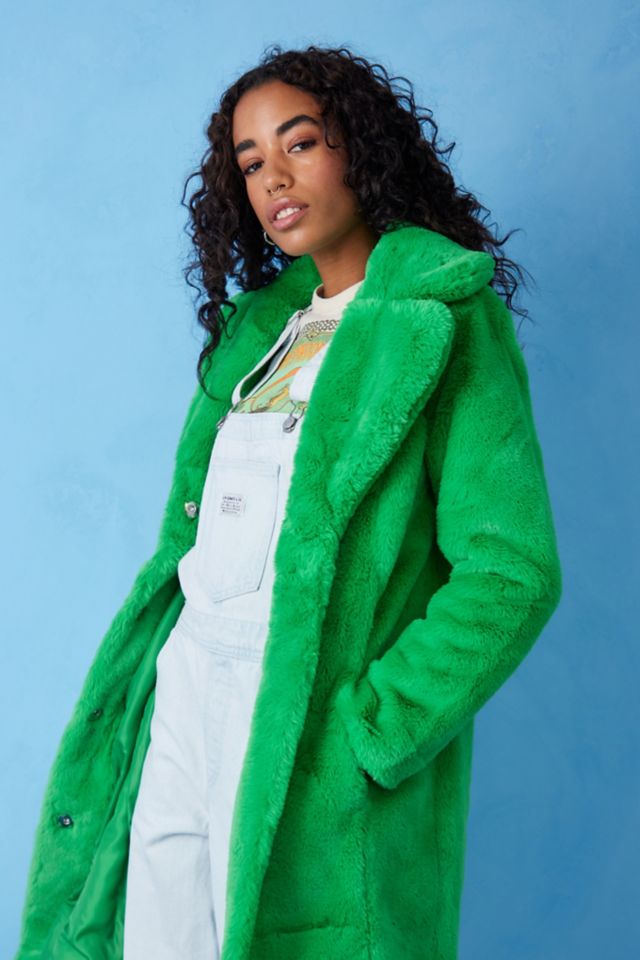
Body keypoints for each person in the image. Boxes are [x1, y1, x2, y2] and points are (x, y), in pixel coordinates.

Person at [14, 43, 563, 960]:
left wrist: (373, 725)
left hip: (303, 705)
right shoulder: (260, 331)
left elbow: (512, 570)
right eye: (251, 162)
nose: (275, 178)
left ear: (360, 148)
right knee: (155, 936)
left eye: (300, 143)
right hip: (187, 684)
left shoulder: (439, 318)